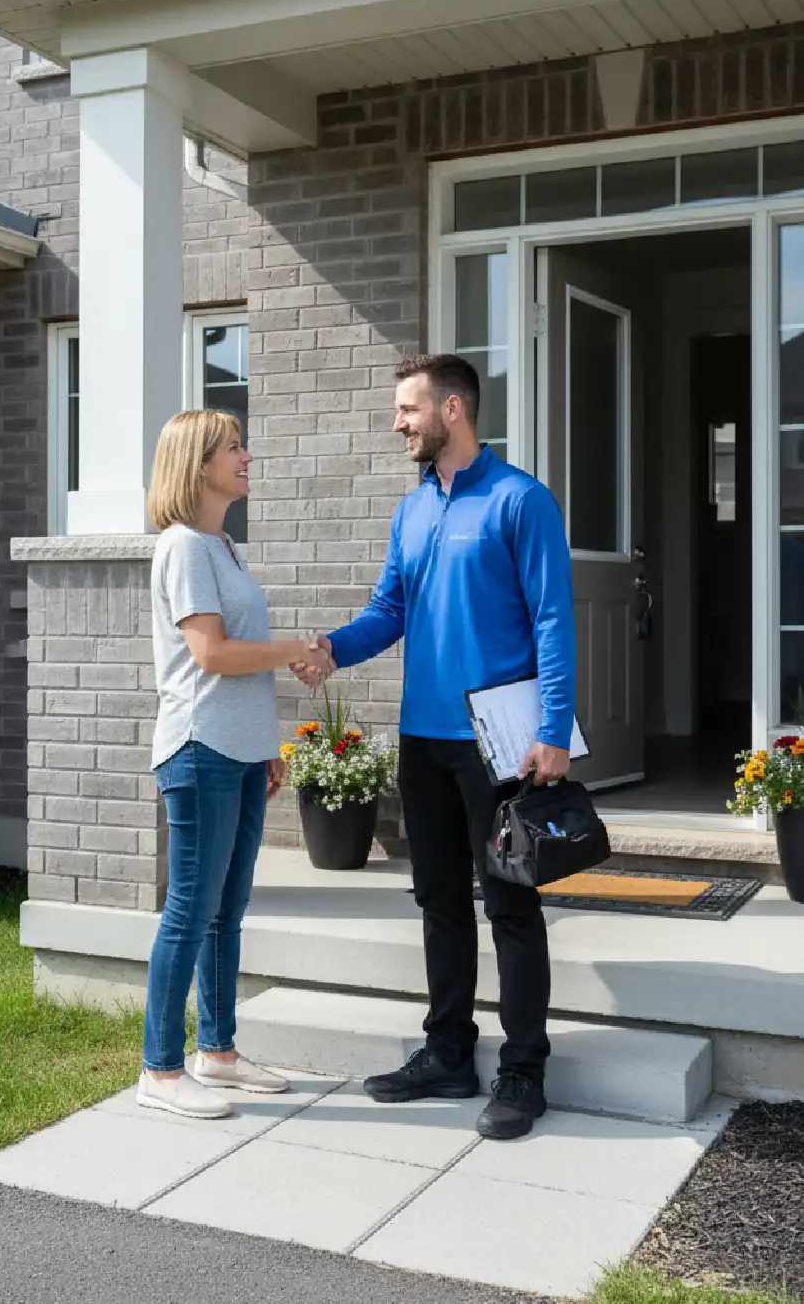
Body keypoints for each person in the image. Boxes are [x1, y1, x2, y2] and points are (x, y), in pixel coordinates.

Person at [295, 353, 575, 1141]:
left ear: (453, 409)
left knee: (511, 906)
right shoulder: (412, 510)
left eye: (408, 409)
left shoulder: (521, 501)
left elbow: (553, 619)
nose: (398, 423)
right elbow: (390, 609)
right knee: (439, 903)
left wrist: (554, 729)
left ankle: (524, 1071)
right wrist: (332, 649)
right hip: (423, 740)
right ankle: (449, 1052)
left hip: (501, 745)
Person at [138, 409, 319, 1119]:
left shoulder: (224, 547)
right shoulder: (183, 547)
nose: (246, 456)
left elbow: (236, 658)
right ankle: (159, 1070)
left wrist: (267, 744)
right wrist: (292, 650)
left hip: (239, 750)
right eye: (233, 448)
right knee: (189, 909)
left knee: (226, 910)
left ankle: (216, 1053)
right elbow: (210, 655)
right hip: (200, 747)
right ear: (199, 465)